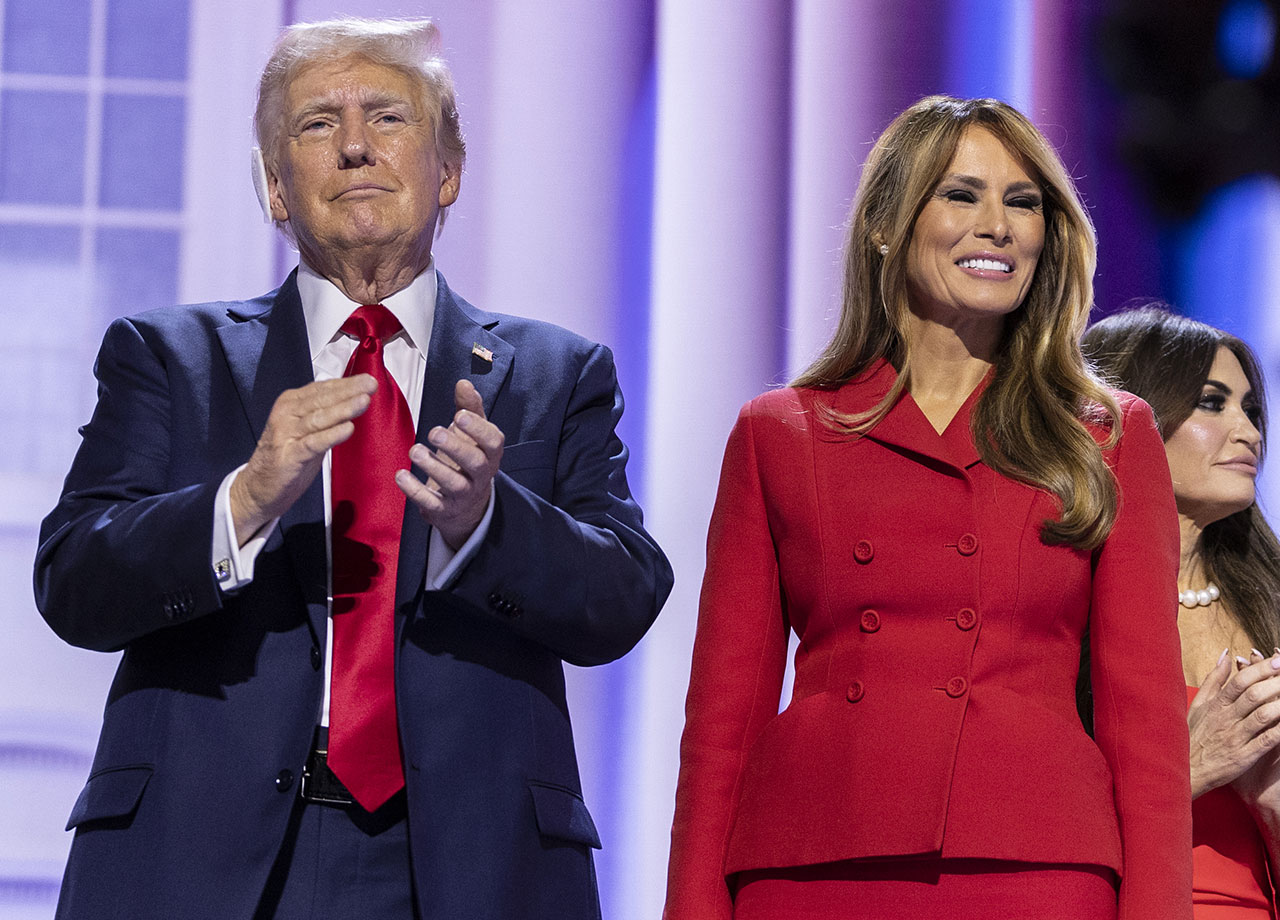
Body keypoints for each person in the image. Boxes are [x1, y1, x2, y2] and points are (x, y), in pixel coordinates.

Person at [34, 17, 671, 920]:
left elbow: (624, 597)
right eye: (316, 125)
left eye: (389, 118)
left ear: (448, 170)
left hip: (469, 864)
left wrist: (487, 522)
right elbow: (75, 583)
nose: (357, 146)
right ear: (276, 190)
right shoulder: (167, 356)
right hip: (206, 860)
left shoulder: (558, 373)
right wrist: (242, 501)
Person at [663, 96, 1191, 920]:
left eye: (1023, 203)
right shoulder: (781, 431)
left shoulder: (1107, 434)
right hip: (813, 860)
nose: (1000, 225)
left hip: (1032, 863)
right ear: (885, 225)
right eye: (961, 195)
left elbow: (1145, 725)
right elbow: (720, 726)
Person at [1084, 306, 1280, 919]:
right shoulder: (1052, 601)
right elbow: (1014, 829)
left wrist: (1272, 804)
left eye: (1250, 409)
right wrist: (1184, 769)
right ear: (1124, 415)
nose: (1247, 431)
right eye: (1212, 402)